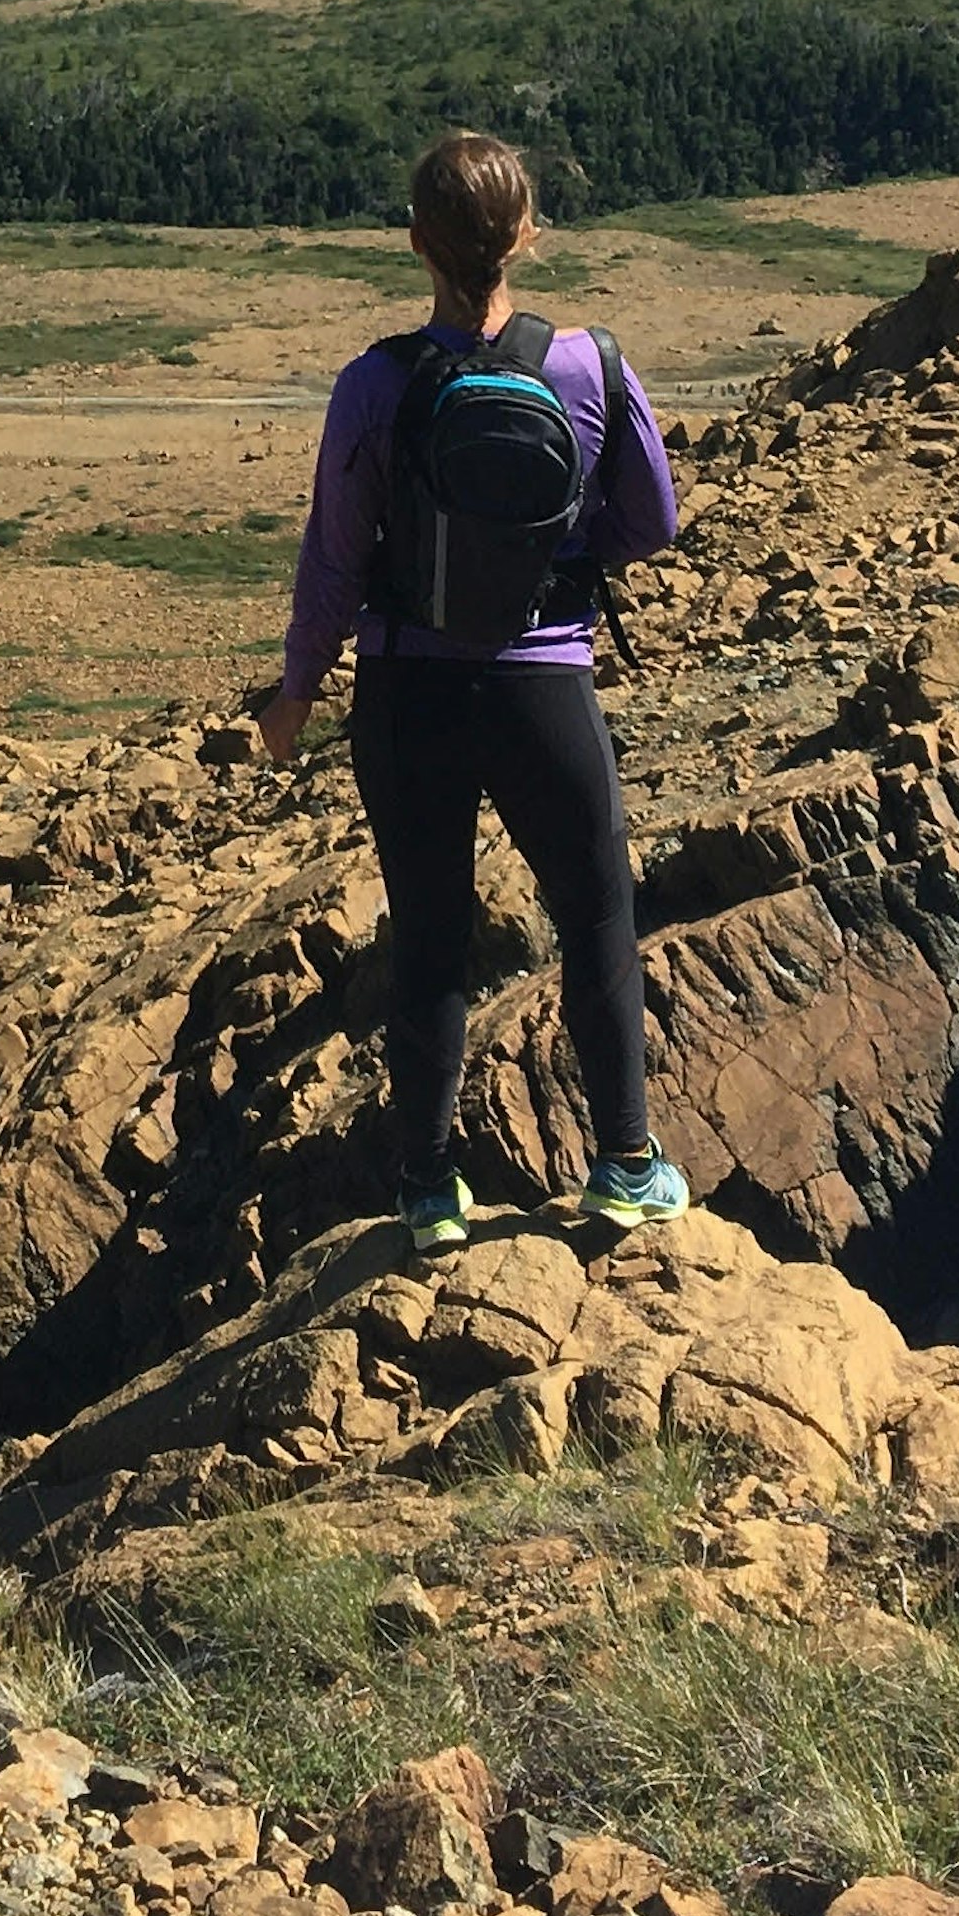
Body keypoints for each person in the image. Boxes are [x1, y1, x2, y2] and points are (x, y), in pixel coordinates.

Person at [251, 127, 687, 1253]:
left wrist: (297, 692)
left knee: (432, 932)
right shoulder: (592, 366)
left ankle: (429, 1188)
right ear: (527, 233)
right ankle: (627, 1164)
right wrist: (555, 549)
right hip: (545, 686)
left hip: (407, 693)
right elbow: (654, 522)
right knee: (595, 911)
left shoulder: (374, 383)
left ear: (416, 243)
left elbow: (335, 559)